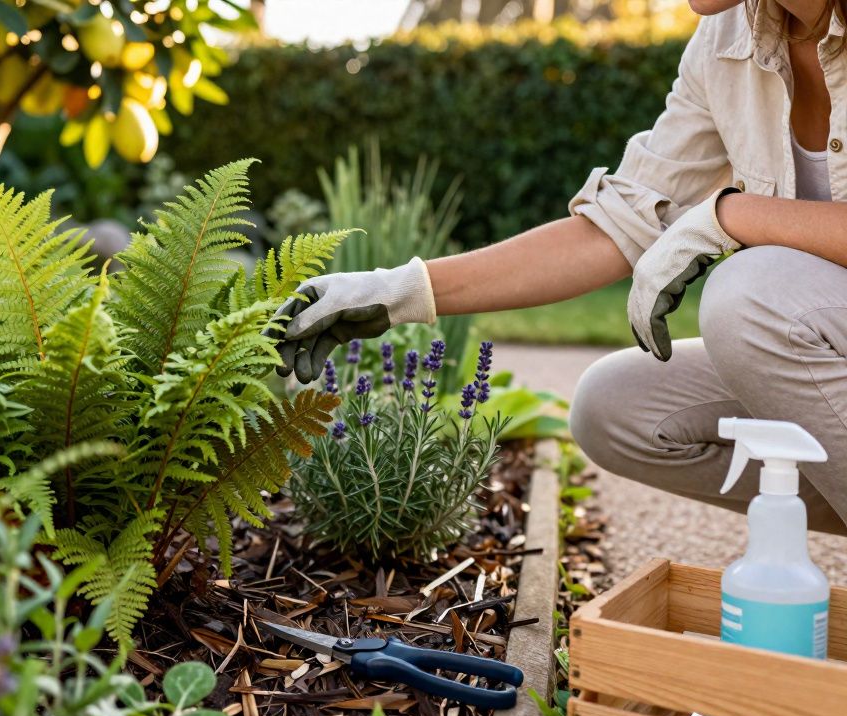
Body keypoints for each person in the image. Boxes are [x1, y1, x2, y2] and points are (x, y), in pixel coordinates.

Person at [273, 0, 847, 534]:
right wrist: (396, 290)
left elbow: (739, 240)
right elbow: (618, 225)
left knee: (746, 297)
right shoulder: (724, 41)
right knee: (616, 407)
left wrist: (736, 214)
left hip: (792, 313)